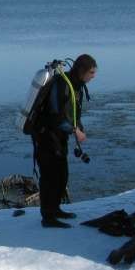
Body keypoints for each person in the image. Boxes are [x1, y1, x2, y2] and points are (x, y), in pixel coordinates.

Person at [34, 54, 97, 228]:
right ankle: (48, 217)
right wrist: (74, 130)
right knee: (49, 176)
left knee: (62, 174)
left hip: (58, 136)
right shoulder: (62, 84)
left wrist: (79, 127)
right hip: (46, 135)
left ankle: (55, 209)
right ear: (82, 71)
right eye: (91, 72)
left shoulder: (76, 85)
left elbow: (73, 112)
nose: (94, 76)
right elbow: (55, 115)